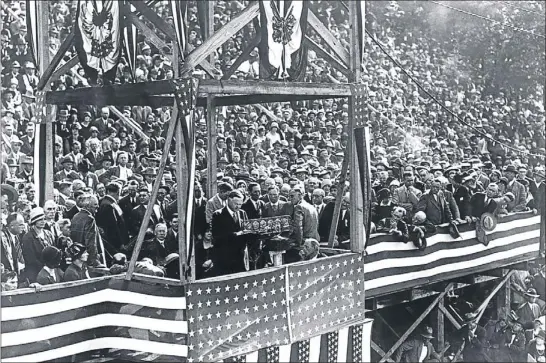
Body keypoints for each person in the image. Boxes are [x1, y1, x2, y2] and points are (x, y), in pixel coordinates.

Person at [211, 190, 251, 276]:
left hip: (240, 256)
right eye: (236, 204)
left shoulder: (242, 213)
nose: (238, 207)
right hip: (225, 257)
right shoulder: (218, 215)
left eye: (240, 204)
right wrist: (236, 234)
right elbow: (217, 237)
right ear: (229, 200)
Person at [70, 194, 105, 267]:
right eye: (95, 204)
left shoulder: (75, 216)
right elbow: (90, 242)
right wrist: (95, 261)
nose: (98, 206)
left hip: (79, 258)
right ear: (88, 206)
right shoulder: (89, 219)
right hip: (88, 261)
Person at [96, 182, 130, 257]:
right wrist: (120, 243)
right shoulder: (108, 205)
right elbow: (112, 226)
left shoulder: (109, 203)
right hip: (115, 243)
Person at [21, 207, 55, 283]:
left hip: (50, 271)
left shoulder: (49, 234)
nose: (43, 221)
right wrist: (45, 268)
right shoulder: (28, 237)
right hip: (36, 272)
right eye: (40, 219)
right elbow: (30, 259)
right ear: (34, 221)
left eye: (44, 219)